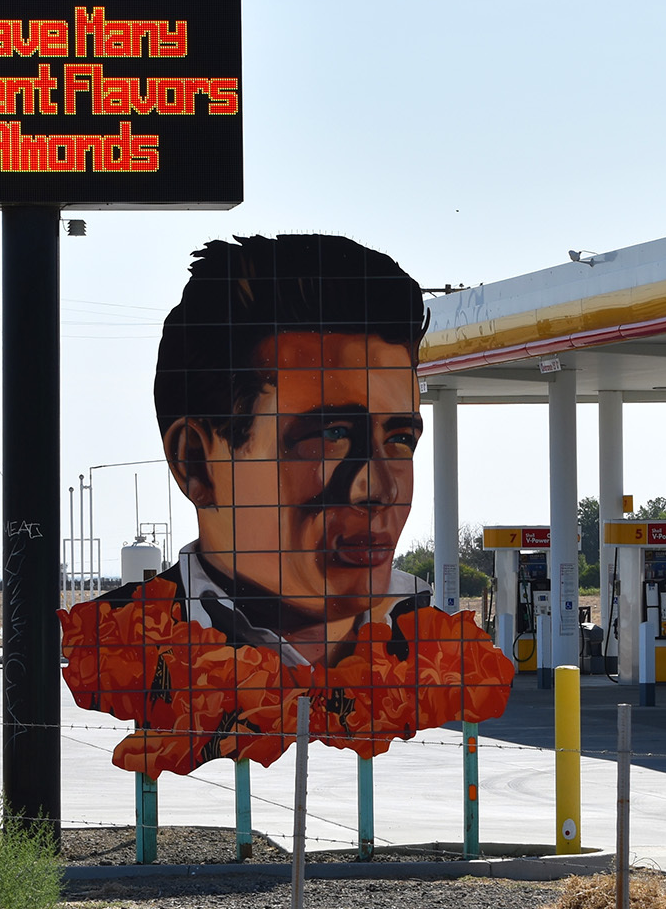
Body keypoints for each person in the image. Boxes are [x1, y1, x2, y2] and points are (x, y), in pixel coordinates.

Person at [61, 235, 513, 777]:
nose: (379, 487)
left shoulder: (450, 662)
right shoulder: (114, 647)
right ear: (196, 464)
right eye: (329, 435)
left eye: (399, 440)